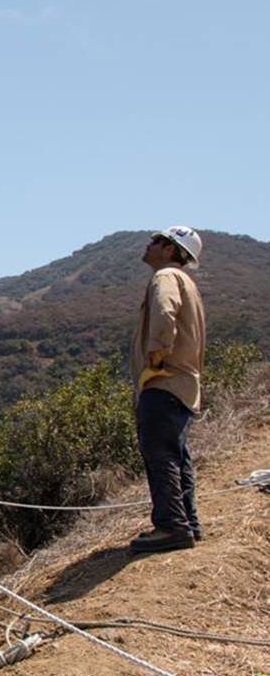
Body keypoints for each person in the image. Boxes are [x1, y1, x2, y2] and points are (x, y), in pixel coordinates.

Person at [129, 226, 205, 554]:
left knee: (159, 454)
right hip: (184, 385)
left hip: (165, 381)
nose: (149, 244)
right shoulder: (188, 282)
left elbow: (164, 314)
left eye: (157, 241)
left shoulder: (166, 278)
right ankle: (187, 523)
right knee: (176, 456)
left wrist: (155, 361)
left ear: (171, 250)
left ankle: (171, 527)